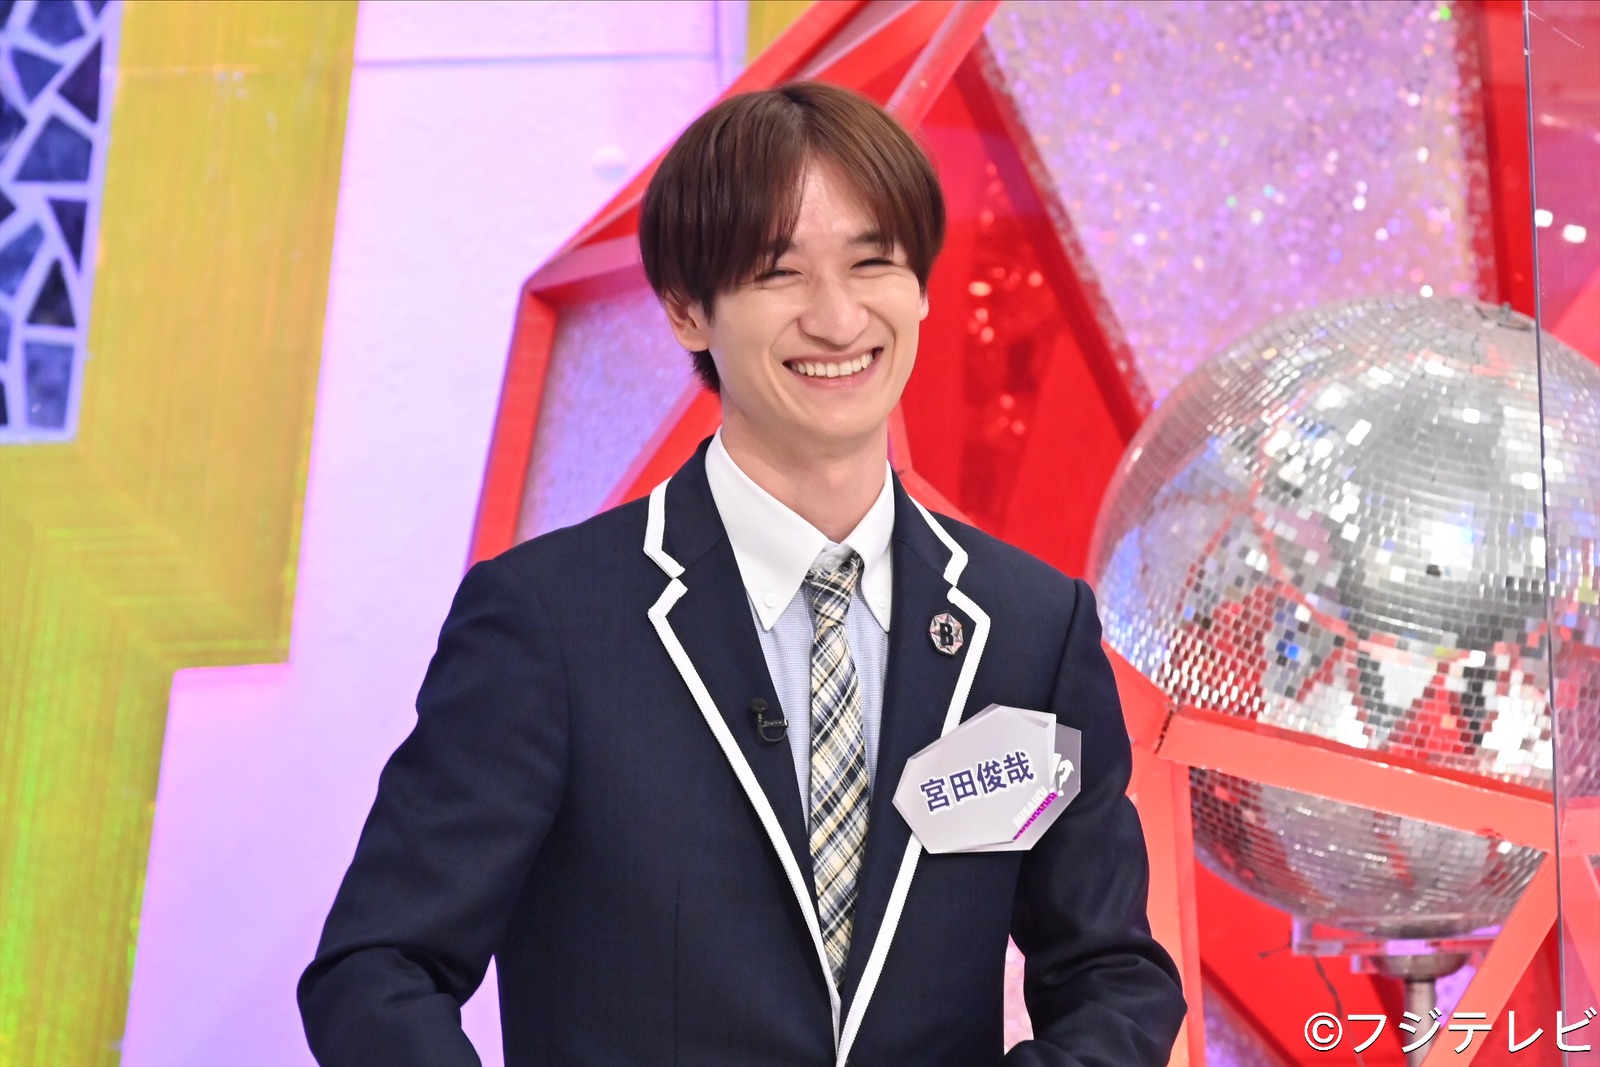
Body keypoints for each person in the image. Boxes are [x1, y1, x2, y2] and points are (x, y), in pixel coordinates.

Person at [299, 81, 1185, 1066]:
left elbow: (1113, 971)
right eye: (779, 273)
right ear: (688, 310)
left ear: (922, 286)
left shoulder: (1030, 625)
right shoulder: (549, 621)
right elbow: (377, 970)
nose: (838, 318)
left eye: (873, 263)